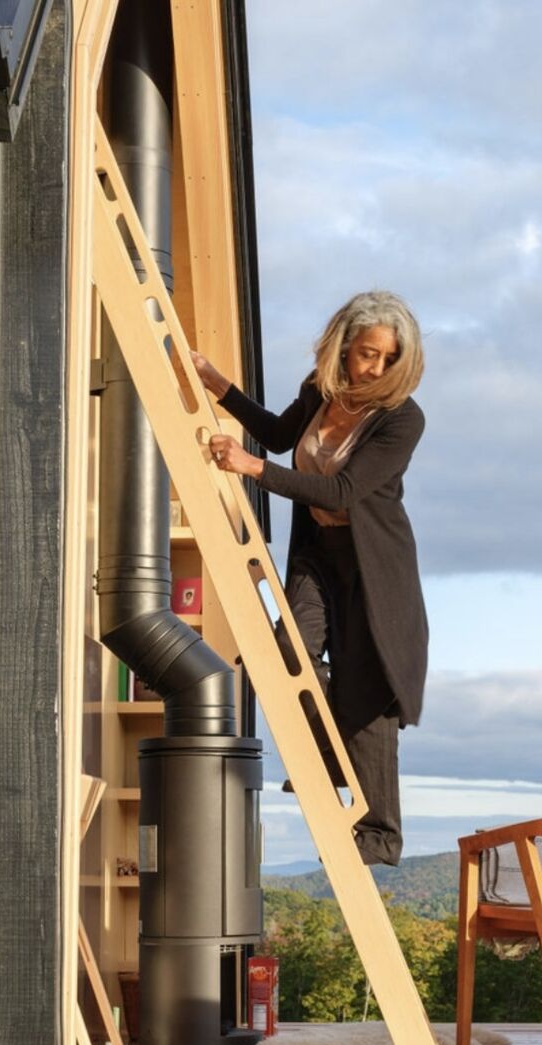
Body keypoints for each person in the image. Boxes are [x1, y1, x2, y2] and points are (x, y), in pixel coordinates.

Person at [190, 290, 427, 867]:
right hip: (319, 554)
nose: (373, 367)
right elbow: (276, 435)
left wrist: (252, 469)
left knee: (371, 698)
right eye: (365, 353)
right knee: (287, 648)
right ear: (343, 347)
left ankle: (380, 835)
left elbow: (342, 491)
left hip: (375, 569)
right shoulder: (319, 393)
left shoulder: (401, 419)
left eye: (386, 359)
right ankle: (324, 754)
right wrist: (218, 386)